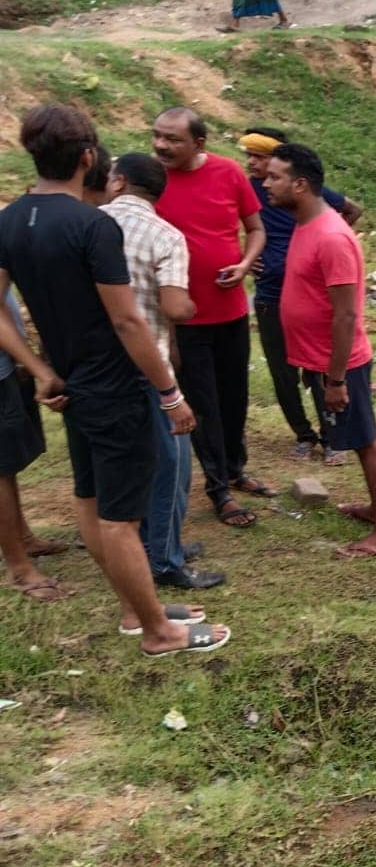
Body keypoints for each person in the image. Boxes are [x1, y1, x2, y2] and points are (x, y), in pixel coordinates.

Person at [0, 105, 228, 656]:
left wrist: (41, 371)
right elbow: (127, 321)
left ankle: (136, 608)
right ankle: (157, 632)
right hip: (115, 386)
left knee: (90, 496)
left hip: (70, 383)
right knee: (122, 517)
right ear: (87, 158)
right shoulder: (93, 225)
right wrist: (170, 393)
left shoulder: (9, 219)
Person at [264, 144, 376, 561]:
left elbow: (346, 314)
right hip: (320, 359)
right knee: (358, 440)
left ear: (300, 185)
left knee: (366, 443)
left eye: (275, 177)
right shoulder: (306, 223)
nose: (266, 184)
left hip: (339, 363)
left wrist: (336, 379)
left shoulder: (331, 236)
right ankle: (375, 510)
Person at [101, 153, 224, 592]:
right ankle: (164, 560)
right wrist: (188, 306)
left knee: (127, 461)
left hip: (99, 365)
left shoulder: (90, 223)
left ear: (118, 182)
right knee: (172, 463)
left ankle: (153, 542)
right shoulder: (166, 235)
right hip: (148, 366)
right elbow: (174, 307)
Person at [152, 107, 275, 530]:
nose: (161, 145)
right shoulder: (150, 180)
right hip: (183, 318)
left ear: (199, 143)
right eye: (157, 136)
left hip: (231, 311)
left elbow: (256, 229)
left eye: (172, 139)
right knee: (202, 404)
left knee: (234, 397)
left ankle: (236, 469)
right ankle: (218, 489)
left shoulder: (228, 173)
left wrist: (244, 264)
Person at [239, 128, 362, 465]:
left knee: (318, 369)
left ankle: (331, 436)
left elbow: (351, 210)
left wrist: (323, 248)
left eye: (260, 157)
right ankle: (303, 435)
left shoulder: (303, 194)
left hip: (309, 298)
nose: (253, 164)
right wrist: (246, 258)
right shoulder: (249, 189)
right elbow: (234, 226)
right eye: (249, 156)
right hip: (270, 294)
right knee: (282, 373)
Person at [0, 289, 69, 603]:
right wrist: (37, 366)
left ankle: (23, 538)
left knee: (9, 461)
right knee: (1, 467)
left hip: (7, 360)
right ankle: (18, 567)